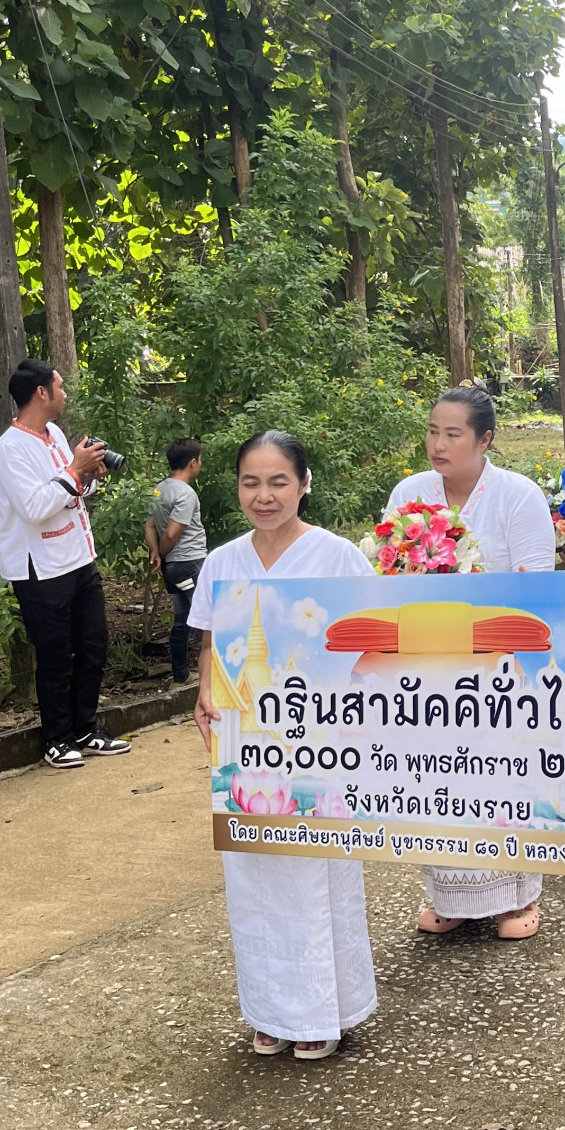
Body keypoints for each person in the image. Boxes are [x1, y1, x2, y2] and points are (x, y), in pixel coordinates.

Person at [190, 431, 376, 1058]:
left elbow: (372, 642)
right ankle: (272, 1012)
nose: (263, 495)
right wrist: (204, 694)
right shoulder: (222, 561)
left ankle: (325, 1011)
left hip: (321, 743)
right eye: (250, 482)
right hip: (245, 745)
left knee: (316, 874)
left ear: (303, 484)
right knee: (252, 876)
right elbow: (212, 643)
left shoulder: (338, 556)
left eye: (277, 482)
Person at [383, 387, 555, 940]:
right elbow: (388, 569)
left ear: (485, 439)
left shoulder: (517, 496)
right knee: (439, 775)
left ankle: (517, 897)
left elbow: (536, 584)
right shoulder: (411, 492)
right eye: (433, 431)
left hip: (498, 662)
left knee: (498, 776)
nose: (438, 443)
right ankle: (450, 894)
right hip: (428, 661)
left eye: (453, 434)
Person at [0, 358, 129, 770]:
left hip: (79, 557)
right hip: (41, 569)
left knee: (93, 647)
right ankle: (57, 739)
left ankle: (86, 730)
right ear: (41, 393)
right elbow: (34, 507)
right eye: (61, 386)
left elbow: (73, 492)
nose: (66, 393)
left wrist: (88, 474)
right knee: (55, 655)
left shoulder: (54, 434)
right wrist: (73, 471)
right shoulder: (9, 450)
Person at [147, 437, 207, 685]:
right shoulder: (186, 494)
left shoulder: (160, 489)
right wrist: (162, 552)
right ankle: (214, 674)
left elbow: (150, 525)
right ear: (193, 462)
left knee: (182, 619)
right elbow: (172, 533)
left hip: (173, 567)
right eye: (200, 460)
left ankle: (181, 674)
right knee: (209, 618)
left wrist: (154, 552)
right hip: (189, 562)